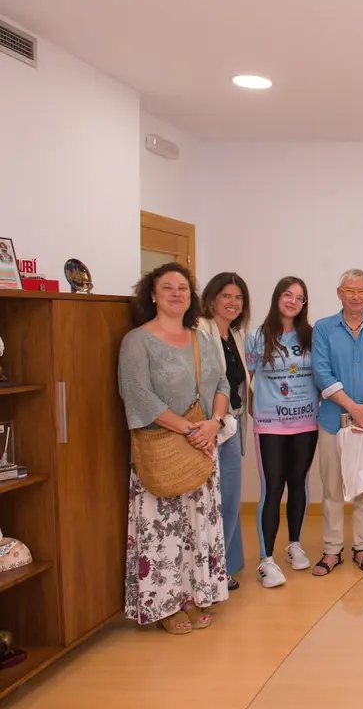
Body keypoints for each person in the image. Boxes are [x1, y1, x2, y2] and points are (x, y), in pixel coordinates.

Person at [118, 262, 230, 634]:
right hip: (163, 448)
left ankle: (194, 595)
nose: (177, 294)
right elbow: (137, 395)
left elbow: (223, 384)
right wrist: (188, 429)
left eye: (183, 288)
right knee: (163, 531)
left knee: (196, 528)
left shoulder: (200, 337)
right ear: (152, 294)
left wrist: (213, 424)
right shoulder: (137, 340)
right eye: (168, 288)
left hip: (202, 446)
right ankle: (165, 604)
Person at [311, 269, 363, 576]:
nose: (355, 296)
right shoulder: (323, 329)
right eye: (349, 290)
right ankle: (332, 549)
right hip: (333, 421)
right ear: (339, 293)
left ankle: (362, 547)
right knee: (332, 488)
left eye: (361, 291)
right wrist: (351, 408)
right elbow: (322, 373)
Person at [245, 277, 320, 587]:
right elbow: (247, 379)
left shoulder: (312, 337)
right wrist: (257, 413)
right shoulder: (257, 338)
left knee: (298, 484)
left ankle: (294, 545)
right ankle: (266, 560)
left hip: (306, 422)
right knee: (273, 487)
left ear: (304, 304)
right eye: (287, 295)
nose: (292, 301)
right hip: (271, 424)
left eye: (299, 298)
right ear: (277, 297)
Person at [196, 272, 250, 592]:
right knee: (208, 501)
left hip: (231, 424)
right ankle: (211, 569)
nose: (232, 302)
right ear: (212, 298)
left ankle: (224, 565)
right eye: (226, 295)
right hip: (208, 425)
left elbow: (239, 382)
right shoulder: (199, 332)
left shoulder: (235, 335)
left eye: (238, 297)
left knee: (229, 498)